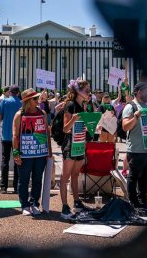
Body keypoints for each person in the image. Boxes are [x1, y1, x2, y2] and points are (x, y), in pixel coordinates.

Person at [12, 88, 52, 216]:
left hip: (40, 153)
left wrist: (49, 152)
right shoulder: (19, 115)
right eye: (35, 98)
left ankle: (35, 203)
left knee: (37, 179)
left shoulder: (43, 113)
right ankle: (24, 204)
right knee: (23, 180)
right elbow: (15, 135)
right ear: (28, 101)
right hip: (25, 153)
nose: (38, 100)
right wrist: (16, 154)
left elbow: (46, 132)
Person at [120, 82, 147, 215]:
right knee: (134, 176)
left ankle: (143, 202)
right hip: (136, 149)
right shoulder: (131, 107)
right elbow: (125, 127)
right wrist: (136, 116)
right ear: (139, 91)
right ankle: (133, 204)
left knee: (144, 176)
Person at [60, 78, 93, 220]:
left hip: (80, 144)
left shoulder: (84, 105)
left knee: (75, 175)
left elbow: (82, 127)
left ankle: (77, 202)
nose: (89, 92)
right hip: (70, 145)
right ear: (78, 91)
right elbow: (65, 128)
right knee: (65, 177)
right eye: (86, 89)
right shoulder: (70, 105)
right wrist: (73, 119)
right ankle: (64, 207)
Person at [0, 85, 22, 194]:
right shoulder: (21, 103)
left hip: (6, 135)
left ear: (10, 92)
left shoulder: (5, 101)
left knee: (5, 160)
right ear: (18, 92)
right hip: (18, 136)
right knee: (17, 160)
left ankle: (3, 187)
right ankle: (16, 186)